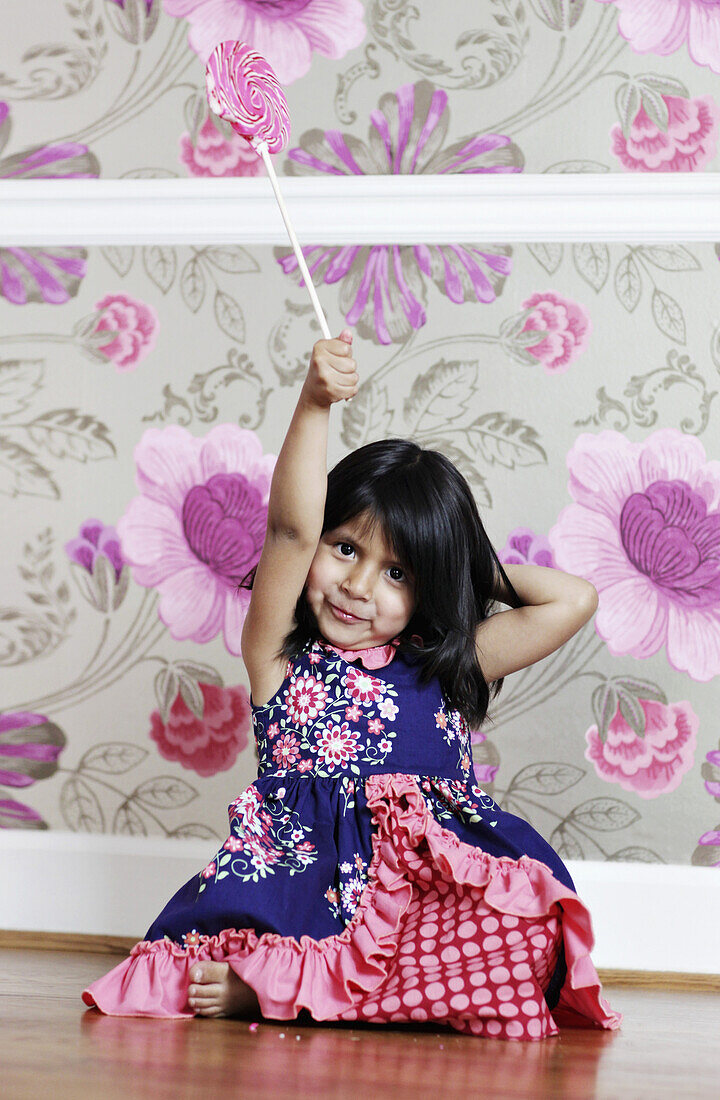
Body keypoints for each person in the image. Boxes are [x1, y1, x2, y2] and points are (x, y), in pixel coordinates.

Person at [83, 328, 622, 1041]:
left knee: (523, 931)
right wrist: (313, 401)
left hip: (418, 910)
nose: (360, 585)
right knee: (239, 946)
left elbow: (572, 600)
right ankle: (279, 980)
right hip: (303, 896)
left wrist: (453, 560)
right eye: (346, 549)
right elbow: (288, 531)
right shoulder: (278, 657)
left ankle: (301, 990)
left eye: (398, 572)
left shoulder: (445, 662)